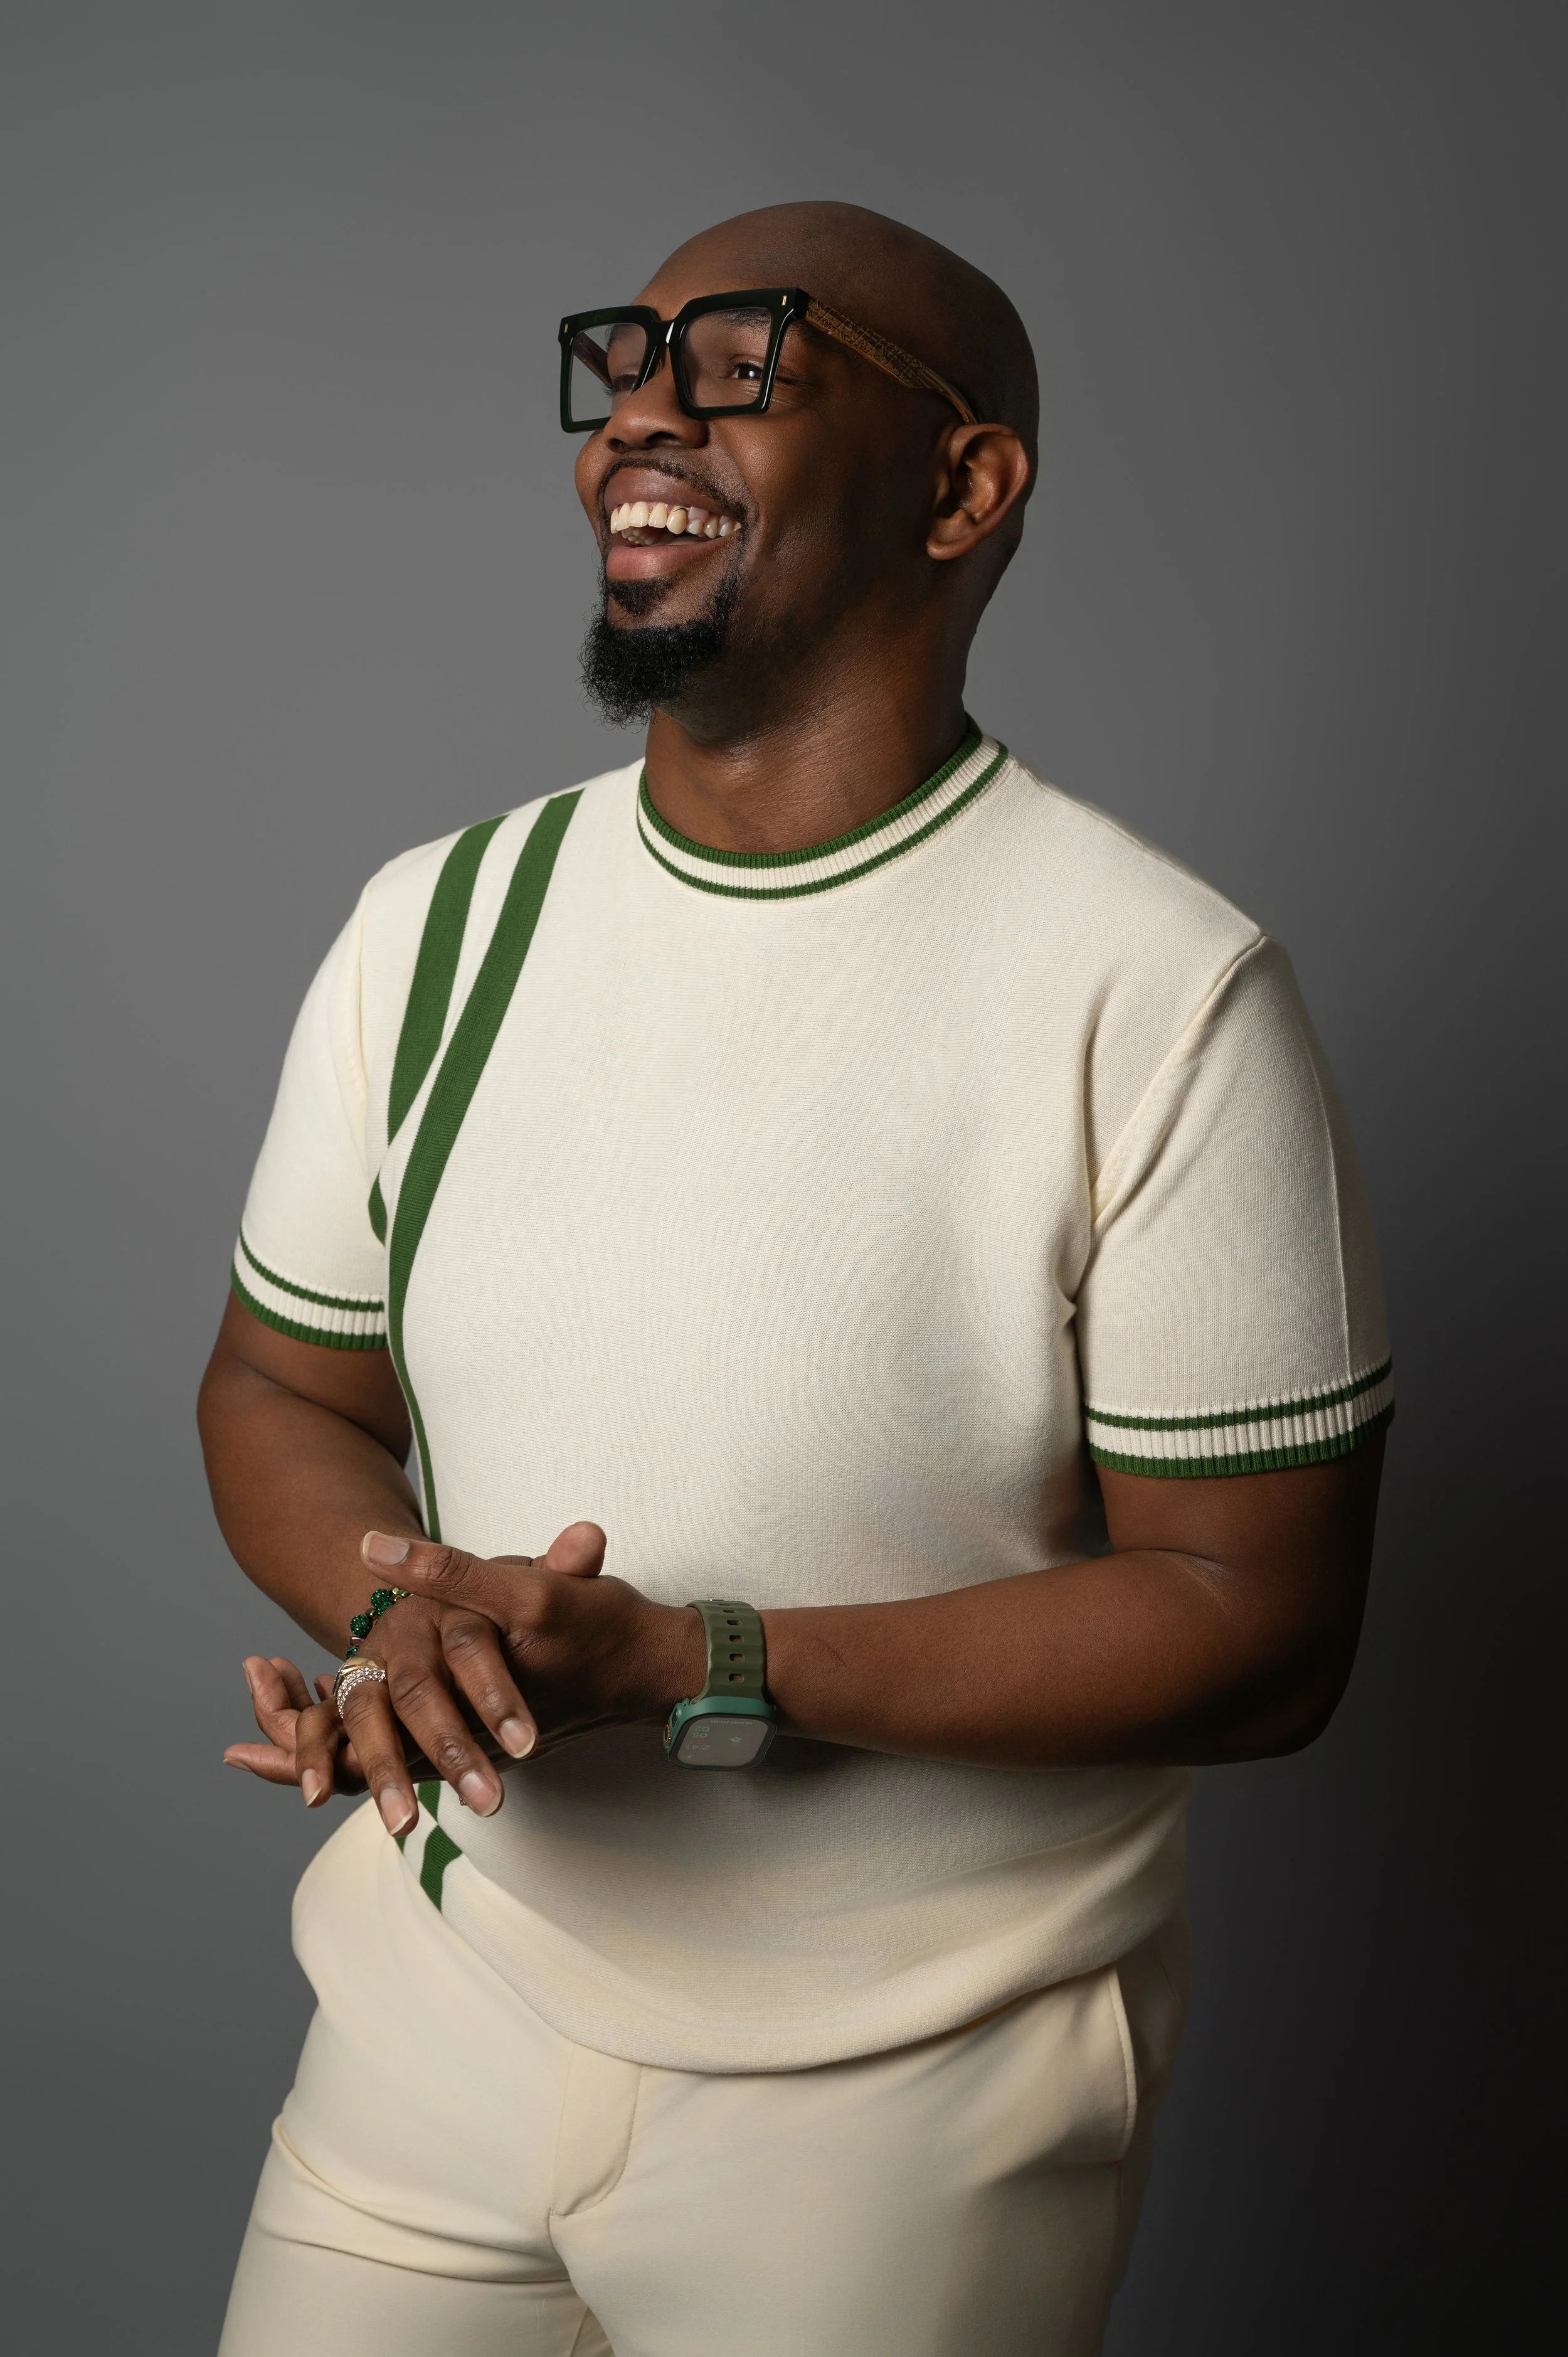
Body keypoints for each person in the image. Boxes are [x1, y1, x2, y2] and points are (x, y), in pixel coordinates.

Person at [202, 200, 1391, 2357]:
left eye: (741, 359)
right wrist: (411, 1628)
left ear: (961, 485)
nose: (636, 420)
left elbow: (1261, 1623)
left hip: (911, 2091)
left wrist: (692, 1659)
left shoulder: (1155, 988)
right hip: (438, 2000)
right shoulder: (440, 921)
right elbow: (280, 1391)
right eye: (621, 365)